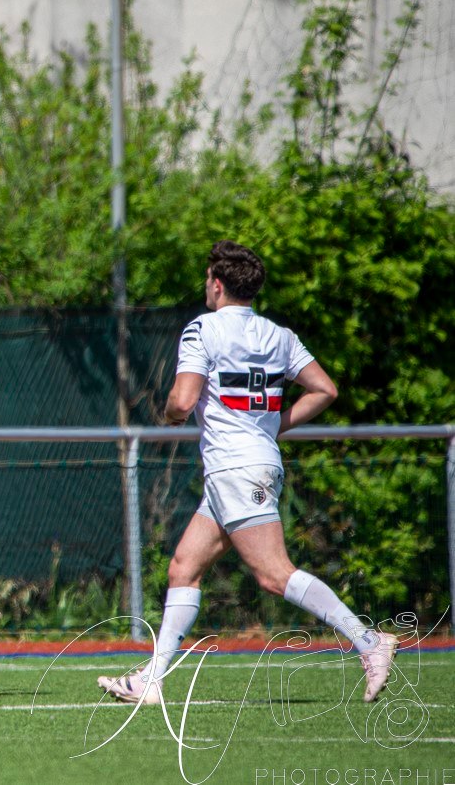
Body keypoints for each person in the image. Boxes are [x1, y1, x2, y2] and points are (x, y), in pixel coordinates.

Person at [98, 240, 398, 705]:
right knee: (183, 568)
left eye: (206, 279)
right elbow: (324, 388)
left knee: (274, 574)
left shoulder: (203, 329)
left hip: (235, 469)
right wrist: (275, 423)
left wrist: (173, 415)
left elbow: (181, 400)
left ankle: (369, 642)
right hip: (247, 465)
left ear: (217, 284)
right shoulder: (278, 334)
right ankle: (151, 681)